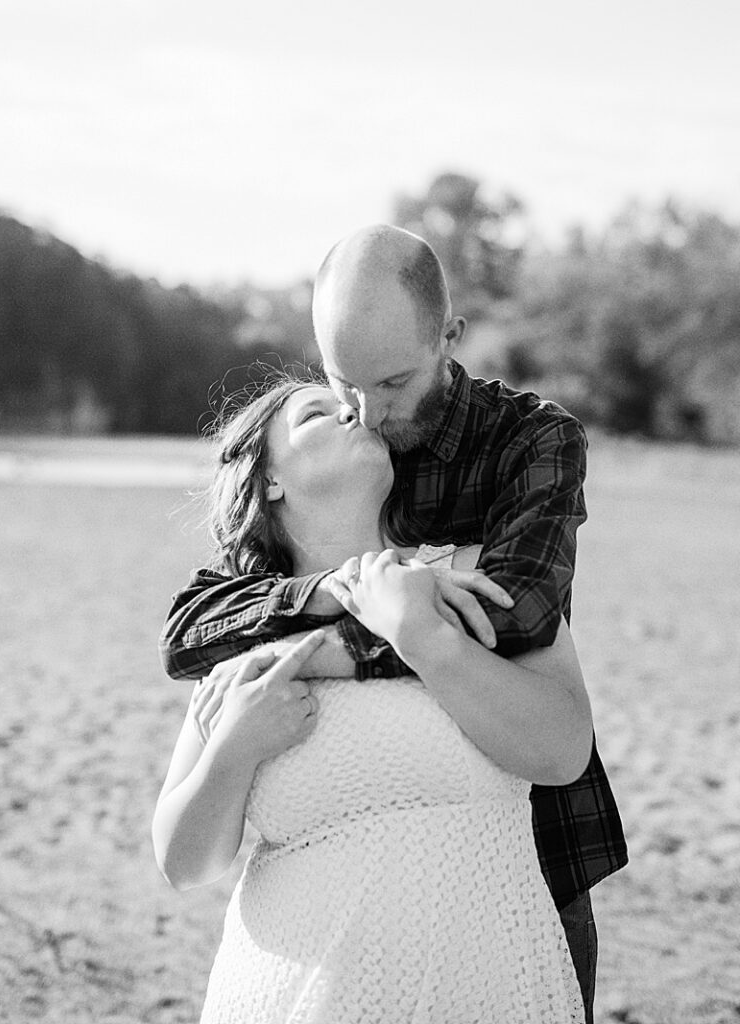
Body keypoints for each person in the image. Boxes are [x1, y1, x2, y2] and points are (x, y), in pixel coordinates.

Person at [159, 225, 628, 1021]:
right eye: (337, 388)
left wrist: (354, 639)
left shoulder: (524, 450)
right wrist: (336, 601)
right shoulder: (254, 607)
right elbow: (188, 634)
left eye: (391, 381)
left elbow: (517, 621)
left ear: (449, 339)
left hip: (526, 878)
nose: (364, 413)